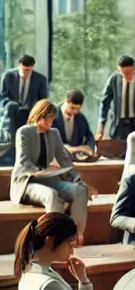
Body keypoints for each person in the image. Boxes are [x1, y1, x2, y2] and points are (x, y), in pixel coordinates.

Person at [11, 100, 98, 242]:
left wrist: (79, 180)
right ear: (41, 115)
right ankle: (55, 238)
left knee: (79, 190)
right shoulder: (24, 132)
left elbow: (64, 160)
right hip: (27, 181)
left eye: (53, 117)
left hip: (49, 179)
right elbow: (24, 162)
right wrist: (40, 171)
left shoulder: (53, 133)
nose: (52, 120)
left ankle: (75, 235)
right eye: (50, 117)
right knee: (51, 195)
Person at [97, 55, 135, 141]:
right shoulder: (114, 80)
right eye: (123, 73)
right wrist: (101, 126)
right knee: (117, 152)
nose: (126, 75)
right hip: (118, 126)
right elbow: (105, 103)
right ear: (119, 70)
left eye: (129, 72)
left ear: (134, 68)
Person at [1, 54, 49, 129]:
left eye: (28, 70)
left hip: (30, 110)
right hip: (12, 110)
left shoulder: (41, 79)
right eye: (24, 70)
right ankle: (12, 139)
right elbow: (3, 96)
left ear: (32, 67)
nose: (26, 73)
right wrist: (10, 105)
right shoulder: (8, 76)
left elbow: (43, 99)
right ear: (19, 65)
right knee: (11, 108)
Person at [52, 90, 96, 161]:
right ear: (66, 101)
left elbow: (89, 136)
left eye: (77, 109)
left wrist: (89, 148)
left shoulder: (80, 117)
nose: (74, 112)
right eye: (72, 108)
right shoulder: (52, 116)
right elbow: (50, 142)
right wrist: (78, 149)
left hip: (76, 160)